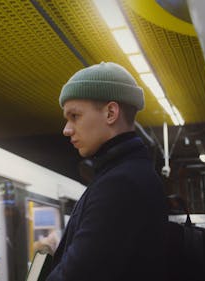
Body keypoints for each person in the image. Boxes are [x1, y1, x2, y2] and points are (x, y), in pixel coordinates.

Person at [46, 62, 168, 281]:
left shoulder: (121, 185)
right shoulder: (125, 175)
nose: (66, 129)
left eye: (75, 116)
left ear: (111, 112)